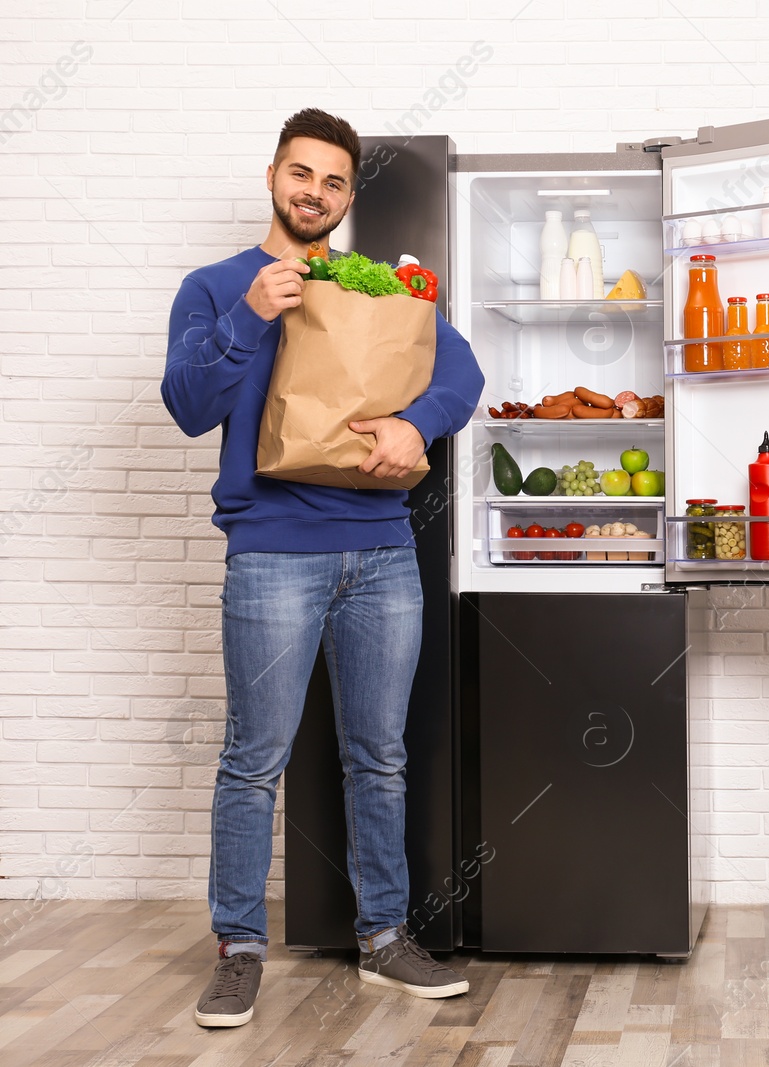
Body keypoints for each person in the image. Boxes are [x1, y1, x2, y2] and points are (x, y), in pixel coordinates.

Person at [161, 108, 485, 1029]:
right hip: (271, 552)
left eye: (335, 181)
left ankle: (385, 937)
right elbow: (188, 406)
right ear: (274, 177)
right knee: (253, 759)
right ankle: (238, 948)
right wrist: (250, 315)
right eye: (302, 174)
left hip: (384, 550)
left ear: (349, 196)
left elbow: (458, 370)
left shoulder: (373, 282)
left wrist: (414, 424)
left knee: (378, 756)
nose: (317, 192)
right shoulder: (216, 287)